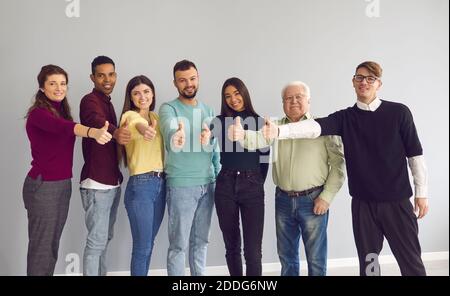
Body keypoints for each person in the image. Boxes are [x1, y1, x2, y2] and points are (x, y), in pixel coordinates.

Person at [262, 61, 428, 276]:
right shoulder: (345, 118)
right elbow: (315, 127)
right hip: (363, 206)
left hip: (396, 203)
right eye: (359, 77)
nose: (364, 82)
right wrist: (278, 132)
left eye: (370, 78)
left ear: (379, 84)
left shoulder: (399, 112)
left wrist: (422, 193)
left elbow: (415, 155)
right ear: (353, 82)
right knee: (369, 263)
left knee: (410, 260)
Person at [232, 81, 345, 276]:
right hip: (283, 200)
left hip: (313, 200)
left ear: (308, 100)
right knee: (287, 258)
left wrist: (326, 197)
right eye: (288, 98)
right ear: (283, 103)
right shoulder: (274, 127)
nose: (293, 102)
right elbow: (258, 139)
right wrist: (242, 135)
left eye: (298, 97)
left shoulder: (322, 127)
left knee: (316, 260)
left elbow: (339, 164)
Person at [23, 64, 111, 276]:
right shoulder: (39, 114)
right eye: (52, 83)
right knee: (42, 249)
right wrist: (93, 132)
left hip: (61, 184)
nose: (59, 88)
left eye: (63, 83)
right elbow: (65, 128)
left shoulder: (62, 110)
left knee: (51, 245)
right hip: (44, 186)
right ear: (42, 87)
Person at [159, 59, 221, 276]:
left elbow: (215, 149)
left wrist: (218, 174)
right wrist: (176, 135)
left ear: (198, 78)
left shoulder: (208, 109)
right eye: (182, 80)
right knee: (178, 245)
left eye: (192, 79)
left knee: (201, 241)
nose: (188, 84)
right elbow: (170, 128)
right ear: (175, 83)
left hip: (208, 183)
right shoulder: (169, 108)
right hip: (182, 185)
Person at [211, 77, 270, 276]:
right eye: (227, 96)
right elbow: (204, 137)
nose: (233, 99)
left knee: (253, 251)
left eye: (236, 93)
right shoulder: (218, 122)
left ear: (244, 93)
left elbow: (264, 159)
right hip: (225, 185)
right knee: (232, 246)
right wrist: (203, 134)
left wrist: (255, 181)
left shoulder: (259, 122)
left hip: (252, 185)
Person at [79, 56, 131, 276]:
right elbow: (94, 119)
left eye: (110, 74)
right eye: (101, 75)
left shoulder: (108, 103)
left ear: (116, 76)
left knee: (103, 239)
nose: (106, 79)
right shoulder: (89, 101)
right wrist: (116, 131)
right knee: (96, 242)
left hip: (111, 182)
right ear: (93, 77)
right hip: (96, 184)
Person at [118, 75, 165, 276]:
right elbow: (138, 123)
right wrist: (146, 130)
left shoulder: (157, 118)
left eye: (146, 92)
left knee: (149, 244)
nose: (142, 96)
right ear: (131, 97)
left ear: (153, 93)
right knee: (142, 247)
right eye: (136, 93)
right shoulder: (129, 116)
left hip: (162, 184)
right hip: (141, 186)